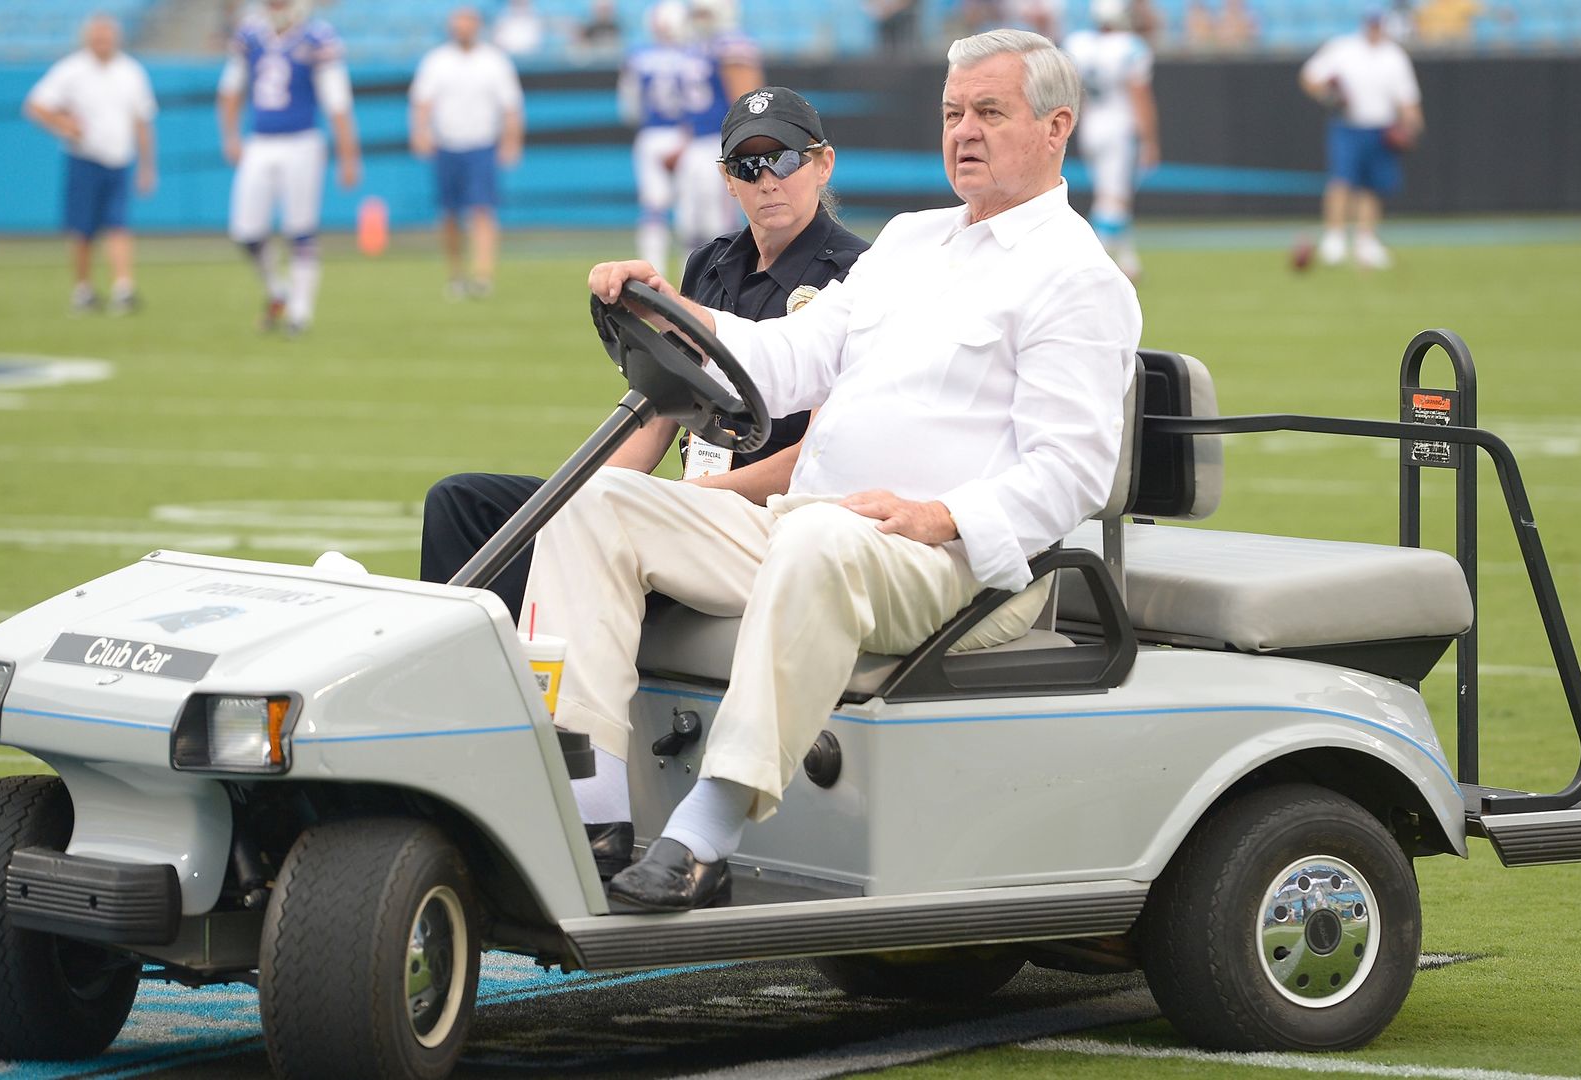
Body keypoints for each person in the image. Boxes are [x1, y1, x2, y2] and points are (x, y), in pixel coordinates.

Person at [543, 29, 1142, 911]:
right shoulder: (907, 241)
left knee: (820, 537)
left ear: (1056, 129)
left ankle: (707, 833)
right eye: (951, 114)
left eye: (989, 112)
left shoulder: (1077, 278)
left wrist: (941, 516)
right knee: (598, 507)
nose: (964, 132)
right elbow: (787, 358)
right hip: (817, 529)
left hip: (957, 567)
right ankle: (591, 812)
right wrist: (672, 310)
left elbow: (1073, 472)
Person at [420, 85, 866, 654]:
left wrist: (692, 496)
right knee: (462, 504)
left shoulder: (857, 274)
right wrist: (576, 493)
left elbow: (818, 457)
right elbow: (659, 413)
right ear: (727, 179)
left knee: (586, 522)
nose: (767, 180)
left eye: (783, 159)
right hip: (685, 507)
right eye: (748, 165)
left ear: (822, 163)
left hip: (765, 520)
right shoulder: (711, 262)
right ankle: (466, 690)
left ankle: (532, 703)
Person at [218, 0, 363, 336]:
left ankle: (300, 312)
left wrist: (348, 155)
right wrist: (230, 136)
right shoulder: (251, 33)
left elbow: (337, 100)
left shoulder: (317, 36)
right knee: (245, 232)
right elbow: (230, 89)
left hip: (302, 141)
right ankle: (278, 289)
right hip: (260, 140)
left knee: (300, 229)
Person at [24, 15, 157, 315]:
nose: (103, 44)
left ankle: (123, 287)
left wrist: (147, 165)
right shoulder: (71, 70)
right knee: (82, 229)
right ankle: (83, 288)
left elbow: (142, 121)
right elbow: (35, 105)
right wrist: (62, 123)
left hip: (119, 158)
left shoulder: (131, 71)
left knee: (118, 224)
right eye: (98, 39)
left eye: (107, 38)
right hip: (84, 158)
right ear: (88, 40)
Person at [411, 7, 525, 301]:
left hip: (481, 144)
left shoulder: (494, 62)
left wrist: (511, 141)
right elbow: (422, 102)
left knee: (483, 210)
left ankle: (483, 275)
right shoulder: (437, 61)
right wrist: (421, 132)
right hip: (447, 144)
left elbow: (511, 106)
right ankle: (456, 273)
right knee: (449, 214)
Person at [1300, 8, 1422, 270]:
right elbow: (1309, 77)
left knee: (1371, 187)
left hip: (1381, 127)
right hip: (1349, 125)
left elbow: (1407, 98)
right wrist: (1328, 95)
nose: (1375, 29)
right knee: (1342, 180)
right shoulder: (1343, 49)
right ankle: (1334, 238)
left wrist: (1411, 124)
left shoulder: (1394, 56)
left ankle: (1365, 241)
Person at [1065, 0, 1159, 281]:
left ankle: (1129, 260)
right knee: (1114, 200)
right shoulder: (1130, 47)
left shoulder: (1078, 43)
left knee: (1111, 195)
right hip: (1119, 127)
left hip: (1091, 124)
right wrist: (1150, 138)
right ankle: (1092, 262)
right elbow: (1139, 95)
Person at [674, 0, 762, 262]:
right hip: (695, 143)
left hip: (719, 142)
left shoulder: (733, 45)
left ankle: (724, 283)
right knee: (689, 222)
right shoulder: (694, 47)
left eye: (705, 12)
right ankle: (688, 287)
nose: (700, 18)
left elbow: (748, 102)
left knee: (719, 223)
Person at [619, 2, 698, 274]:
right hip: (688, 136)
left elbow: (628, 107)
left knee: (654, 208)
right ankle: (693, 273)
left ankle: (653, 271)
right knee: (690, 209)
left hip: (651, 135)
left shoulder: (638, 56)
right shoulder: (694, 55)